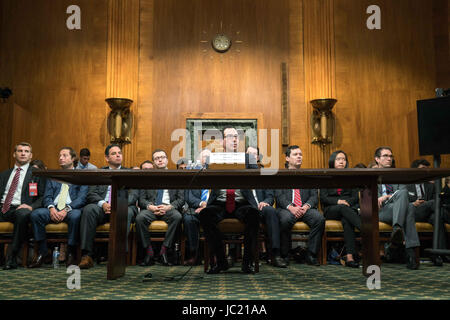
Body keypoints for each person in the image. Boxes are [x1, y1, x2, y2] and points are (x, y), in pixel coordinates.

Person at [198, 127, 261, 274]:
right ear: (222, 140)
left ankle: (247, 263)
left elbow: (257, 177)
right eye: (231, 136)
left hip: (241, 203)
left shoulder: (248, 158)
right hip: (220, 203)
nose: (234, 139)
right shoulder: (213, 157)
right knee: (205, 215)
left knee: (254, 215)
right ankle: (221, 262)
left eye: (236, 137)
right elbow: (204, 176)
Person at [78, 144, 138, 269]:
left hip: (122, 207)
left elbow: (133, 196)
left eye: (119, 153)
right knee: (89, 209)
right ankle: (87, 255)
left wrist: (117, 204)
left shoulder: (130, 173)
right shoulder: (99, 173)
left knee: (127, 211)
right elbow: (91, 194)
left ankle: (119, 254)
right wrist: (103, 203)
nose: (118, 155)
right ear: (106, 158)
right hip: (102, 208)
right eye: (114, 153)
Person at [29, 147, 88, 268]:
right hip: (54, 208)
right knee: (36, 214)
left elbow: (81, 199)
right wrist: (51, 208)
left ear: (73, 158)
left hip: (71, 209)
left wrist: (66, 209)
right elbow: (47, 196)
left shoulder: (81, 175)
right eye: (60, 155)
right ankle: (43, 252)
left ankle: (70, 252)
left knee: (76, 216)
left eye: (65, 155)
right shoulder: (53, 176)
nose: (61, 158)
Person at [276, 145, 325, 266]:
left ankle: (311, 254)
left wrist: (306, 207)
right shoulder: (280, 175)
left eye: (300, 154)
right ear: (287, 158)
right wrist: (291, 207)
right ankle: (285, 255)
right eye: (295, 154)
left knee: (319, 219)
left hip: (305, 208)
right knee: (285, 220)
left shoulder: (308, 175)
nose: (299, 156)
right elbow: (279, 195)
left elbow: (314, 195)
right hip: (287, 209)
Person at [0, 142, 46, 270]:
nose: (23, 153)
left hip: (20, 208)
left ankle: (12, 257)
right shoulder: (4, 174)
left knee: (23, 213)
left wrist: (31, 207)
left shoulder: (36, 174)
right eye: (20, 151)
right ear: (14, 154)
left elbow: (42, 197)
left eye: (26, 151)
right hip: (3, 207)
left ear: (31, 156)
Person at [374, 146, 420, 269]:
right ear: (377, 159)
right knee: (408, 208)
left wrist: (385, 196)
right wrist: (384, 198)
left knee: (408, 205)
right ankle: (410, 254)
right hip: (380, 211)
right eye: (385, 156)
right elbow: (368, 198)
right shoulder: (370, 175)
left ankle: (397, 229)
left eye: (391, 156)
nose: (389, 159)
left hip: (397, 209)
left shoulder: (398, 175)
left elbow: (403, 194)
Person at [137, 149, 184, 266]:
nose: (160, 159)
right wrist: (151, 207)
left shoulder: (177, 176)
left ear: (167, 160)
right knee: (139, 218)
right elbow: (141, 199)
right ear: (153, 163)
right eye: (157, 158)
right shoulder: (146, 177)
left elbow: (181, 199)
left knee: (177, 217)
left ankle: (164, 250)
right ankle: (149, 252)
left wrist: (169, 207)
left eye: (162, 157)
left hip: (169, 209)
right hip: (151, 209)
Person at [320, 150, 361, 268]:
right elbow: (323, 198)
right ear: (333, 161)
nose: (341, 161)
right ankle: (365, 228)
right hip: (331, 209)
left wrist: (347, 203)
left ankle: (349, 257)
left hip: (348, 208)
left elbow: (355, 196)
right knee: (344, 210)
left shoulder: (351, 177)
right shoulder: (326, 176)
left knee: (347, 221)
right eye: (338, 159)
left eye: (344, 159)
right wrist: (338, 201)